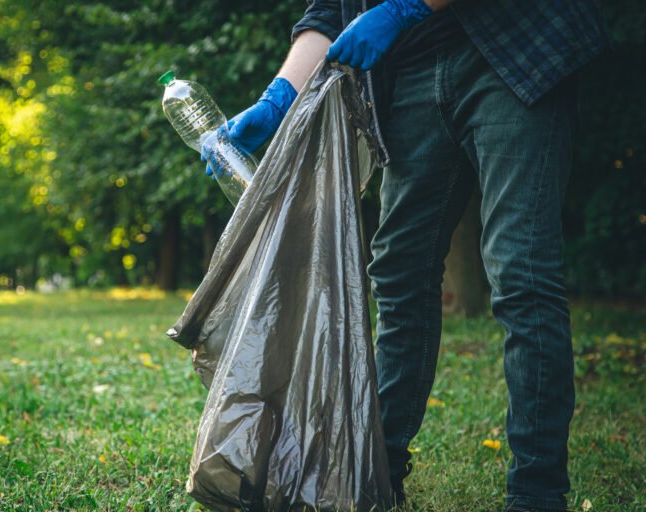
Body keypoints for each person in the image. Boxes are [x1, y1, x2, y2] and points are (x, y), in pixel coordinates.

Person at [201, 1, 611, 511]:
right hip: (413, 70)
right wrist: (278, 96)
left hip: (511, 49)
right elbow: (330, 10)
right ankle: (379, 474)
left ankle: (537, 491)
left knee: (521, 271)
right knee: (398, 275)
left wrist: (404, 6)